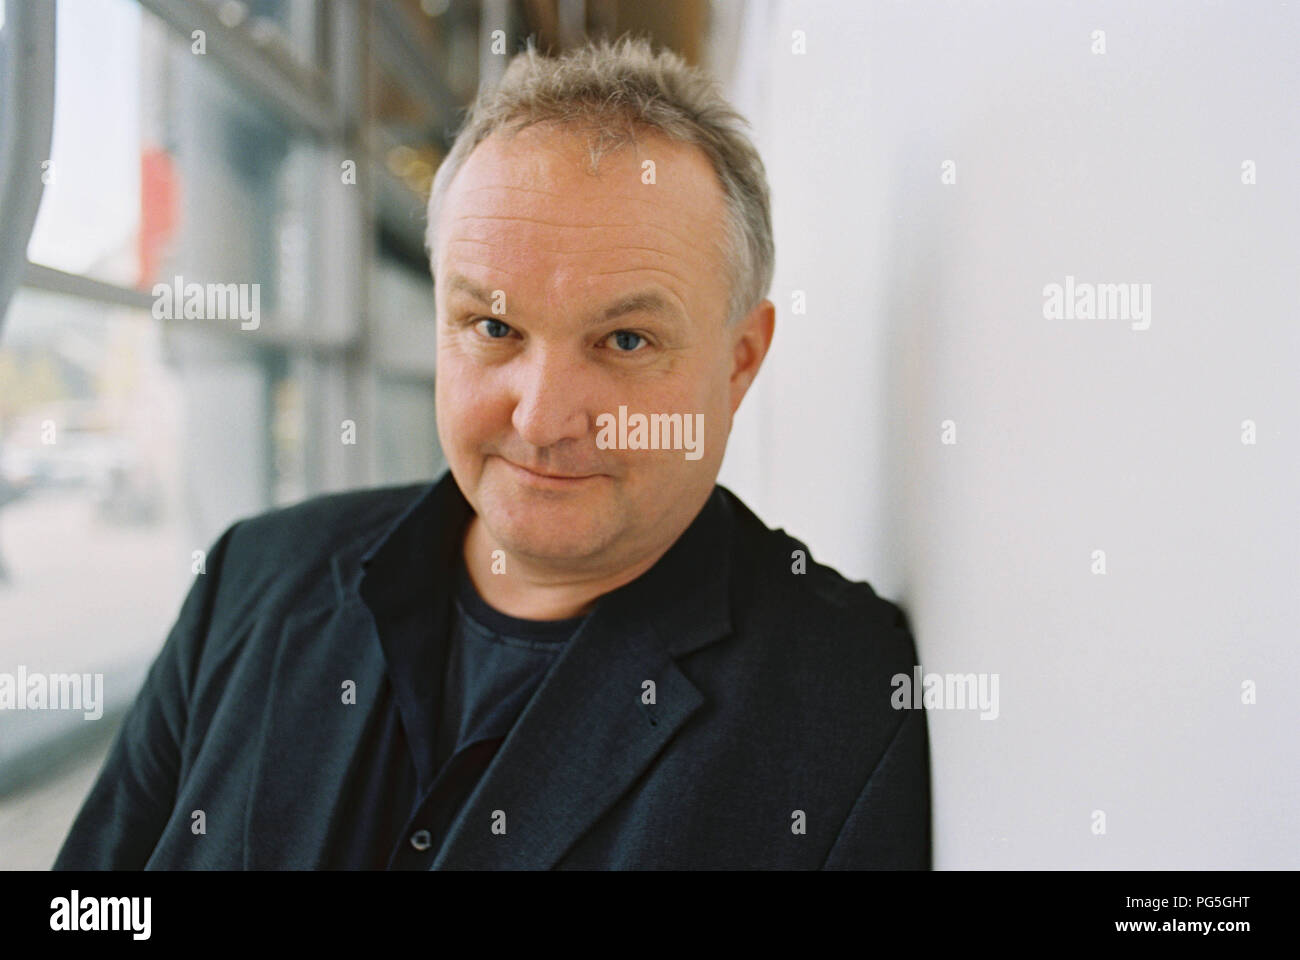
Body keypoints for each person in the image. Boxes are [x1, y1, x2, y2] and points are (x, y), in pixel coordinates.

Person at [53, 35, 929, 870]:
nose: (544, 419)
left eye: (626, 341)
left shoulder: (842, 709)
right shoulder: (250, 578)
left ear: (739, 362)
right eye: (494, 326)